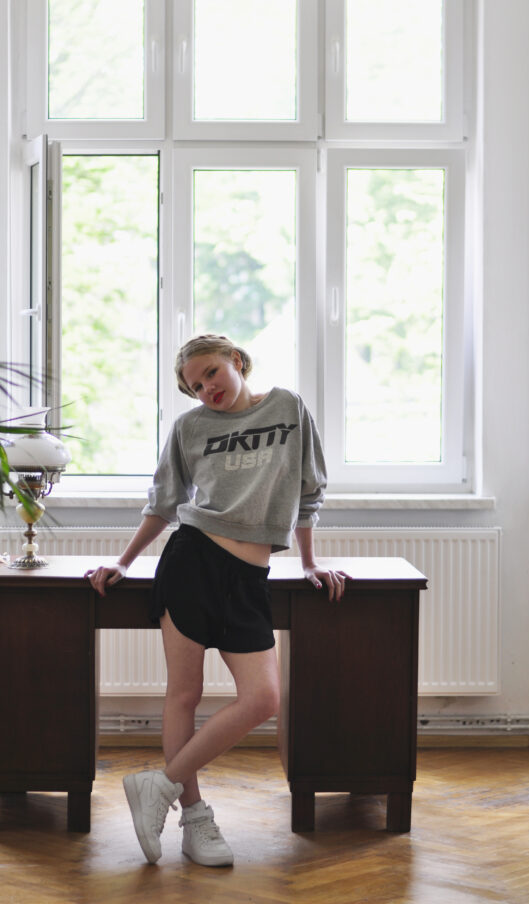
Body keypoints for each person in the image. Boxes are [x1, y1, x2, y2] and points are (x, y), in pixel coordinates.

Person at [85, 334, 347, 867]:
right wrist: (126, 561)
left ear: (237, 361)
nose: (207, 388)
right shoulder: (189, 428)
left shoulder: (288, 408)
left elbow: (309, 491)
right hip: (192, 562)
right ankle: (194, 819)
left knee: (263, 700)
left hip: (250, 577)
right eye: (195, 385)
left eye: (212, 373)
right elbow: (164, 502)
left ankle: (158, 786)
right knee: (185, 693)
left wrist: (310, 561)